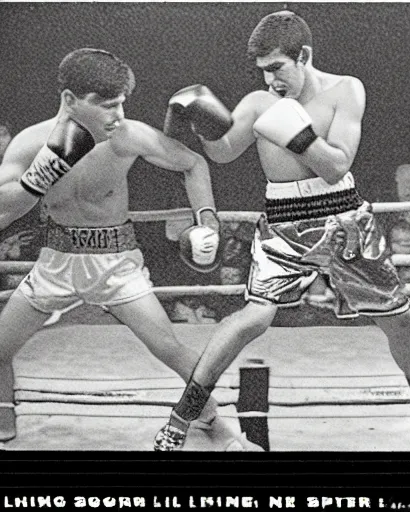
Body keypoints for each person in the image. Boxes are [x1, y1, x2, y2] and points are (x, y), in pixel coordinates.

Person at [153, 11, 410, 451]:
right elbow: (222, 153)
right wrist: (190, 120)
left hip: (343, 218)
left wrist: (294, 131)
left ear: (305, 56)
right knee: (252, 319)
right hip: (282, 221)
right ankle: (182, 416)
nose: (270, 80)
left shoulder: (345, 90)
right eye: (262, 71)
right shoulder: (259, 103)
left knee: (400, 321)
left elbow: (337, 166)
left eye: (277, 67)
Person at [0, 48, 259, 451]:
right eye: (106, 105)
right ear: (70, 100)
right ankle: (3, 409)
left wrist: (206, 221)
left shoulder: (126, 136)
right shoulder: (31, 143)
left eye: (121, 103)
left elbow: (193, 164)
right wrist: (40, 176)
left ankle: (214, 421)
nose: (117, 114)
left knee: (168, 347)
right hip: (56, 261)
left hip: (116, 261)